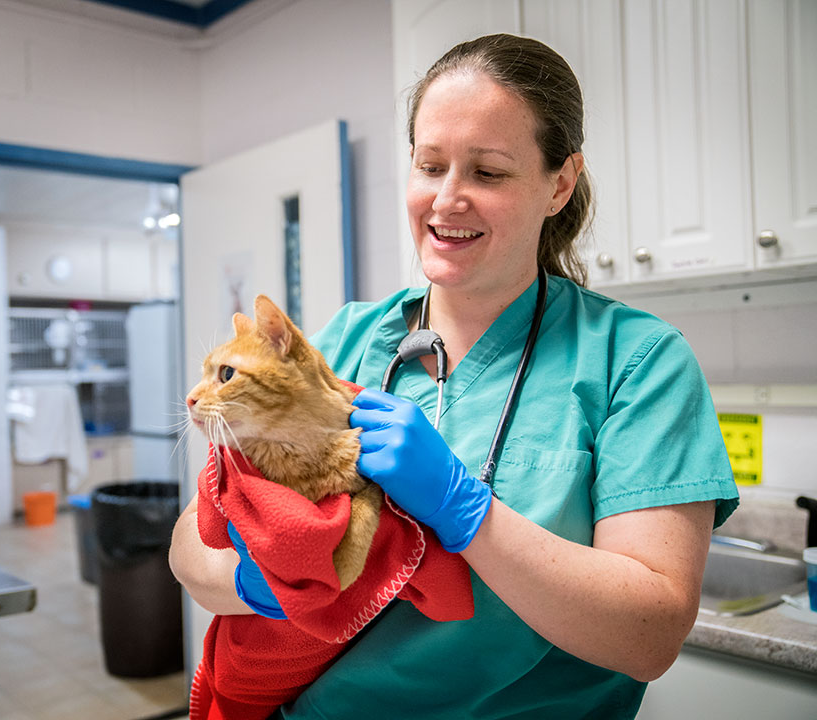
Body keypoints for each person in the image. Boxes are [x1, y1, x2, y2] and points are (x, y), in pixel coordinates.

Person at [170, 33, 739, 719]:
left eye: (488, 173)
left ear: (559, 183)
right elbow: (193, 543)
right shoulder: (345, 342)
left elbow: (648, 636)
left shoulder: (636, 363)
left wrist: (466, 513)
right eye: (429, 165)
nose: (447, 199)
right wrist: (266, 581)